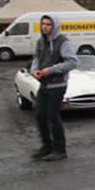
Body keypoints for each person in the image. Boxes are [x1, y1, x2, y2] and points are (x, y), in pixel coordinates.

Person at [30, 14, 78, 161]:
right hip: (44, 84)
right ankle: (46, 145)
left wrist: (49, 70)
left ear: (55, 26)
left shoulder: (63, 42)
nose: (45, 27)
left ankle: (60, 149)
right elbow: (37, 58)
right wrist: (35, 70)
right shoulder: (41, 41)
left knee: (52, 115)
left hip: (57, 84)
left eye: (49, 24)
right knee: (39, 115)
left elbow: (72, 62)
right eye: (43, 24)